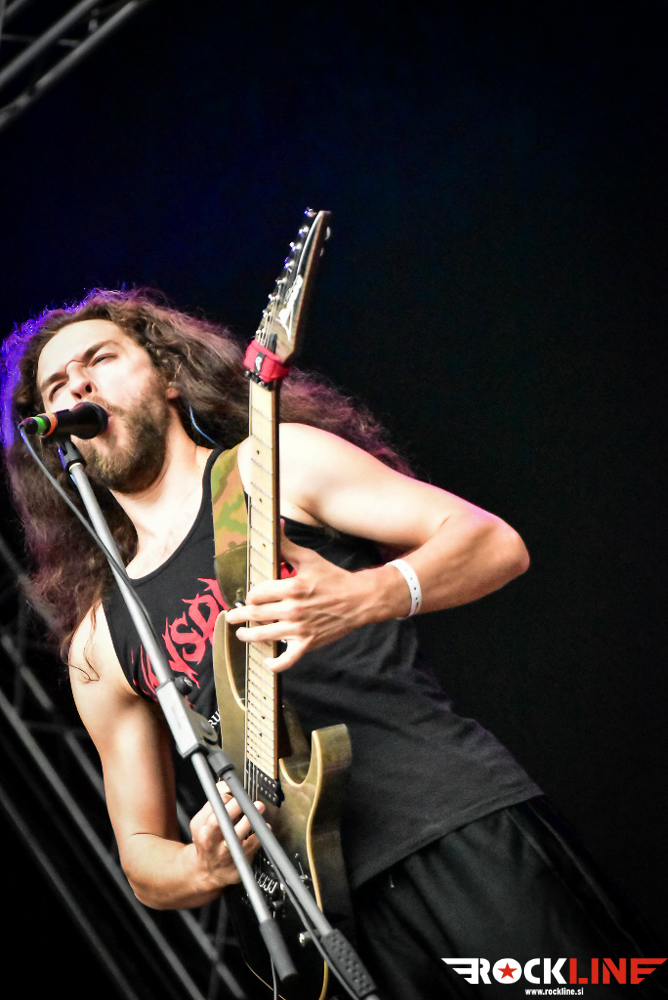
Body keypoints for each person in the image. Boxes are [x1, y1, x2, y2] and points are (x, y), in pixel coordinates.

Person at [1, 288, 664, 1000]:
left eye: (100, 360)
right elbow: (141, 856)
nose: (79, 387)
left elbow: (493, 543)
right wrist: (202, 866)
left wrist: (364, 596)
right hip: (321, 927)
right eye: (58, 385)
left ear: (168, 374)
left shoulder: (273, 465)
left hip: (451, 827)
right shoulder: (101, 639)